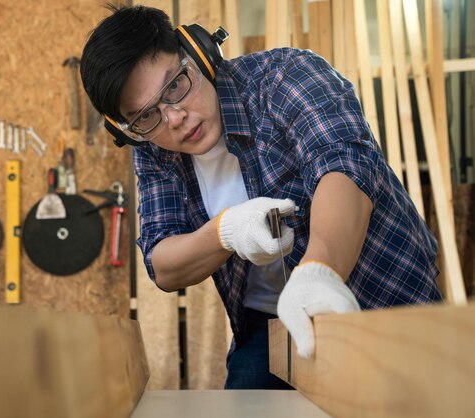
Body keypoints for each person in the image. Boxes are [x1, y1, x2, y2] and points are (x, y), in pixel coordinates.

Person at [80, 5, 442, 389]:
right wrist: (225, 232)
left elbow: (344, 169)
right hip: (265, 325)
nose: (173, 118)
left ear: (199, 53)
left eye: (174, 86)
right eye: (146, 116)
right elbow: (163, 262)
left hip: (383, 299)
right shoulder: (153, 146)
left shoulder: (287, 77)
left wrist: (320, 271)